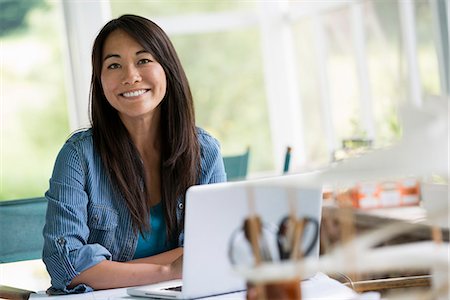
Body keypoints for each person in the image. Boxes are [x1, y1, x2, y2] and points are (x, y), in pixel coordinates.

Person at [42, 14, 226, 294]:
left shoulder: (205, 152)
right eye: (114, 65)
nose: (130, 76)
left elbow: (212, 250)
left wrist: (107, 270)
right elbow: (65, 265)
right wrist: (169, 269)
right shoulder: (78, 157)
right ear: (100, 80)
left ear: (168, 69)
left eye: (143, 60)